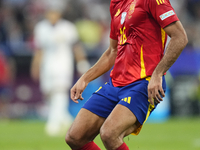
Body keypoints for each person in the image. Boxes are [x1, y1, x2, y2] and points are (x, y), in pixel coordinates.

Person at [65, 0, 188, 149]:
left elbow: (180, 37)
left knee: (109, 133)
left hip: (144, 82)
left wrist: (158, 74)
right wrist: (85, 78)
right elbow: (112, 51)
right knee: (75, 137)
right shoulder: (116, 4)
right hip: (115, 84)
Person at [30, 2, 90, 136]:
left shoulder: (68, 28)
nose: (52, 15)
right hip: (47, 66)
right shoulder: (41, 28)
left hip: (63, 65)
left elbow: (76, 47)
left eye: (55, 12)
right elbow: (38, 50)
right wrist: (35, 66)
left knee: (60, 91)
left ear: (59, 14)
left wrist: (82, 63)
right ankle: (66, 119)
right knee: (50, 93)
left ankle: (53, 124)